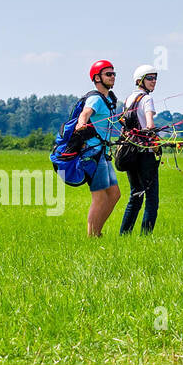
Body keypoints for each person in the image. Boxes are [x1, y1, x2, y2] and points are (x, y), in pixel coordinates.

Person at [117, 64, 163, 236]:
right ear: (140, 81)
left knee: (136, 195)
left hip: (130, 153)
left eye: (155, 78)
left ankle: (124, 235)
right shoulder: (147, 99)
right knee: (151, 198)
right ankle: (145, 237)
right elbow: (150, 125)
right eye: (150, 78)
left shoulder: (129, 99)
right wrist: (153, 131)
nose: (154, 81)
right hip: (145, 155)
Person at [77, 59, 121, 237]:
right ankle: (91, 236)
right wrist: (82, 123)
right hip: (93, 153)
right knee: (100, 197)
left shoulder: (108, 99)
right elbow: (85, 113)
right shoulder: (95, 98)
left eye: (113, 74)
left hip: (102, 153)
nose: (112, 77)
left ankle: (97, 232)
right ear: (97, 78)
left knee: (115, 194)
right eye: (108, 74)